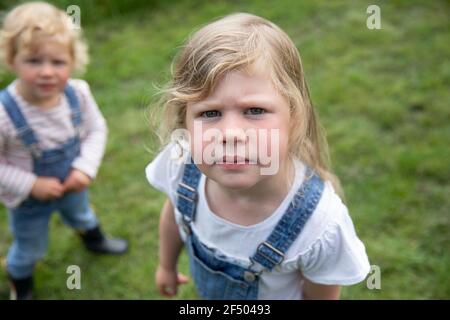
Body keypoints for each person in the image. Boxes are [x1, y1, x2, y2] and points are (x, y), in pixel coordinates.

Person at [146, 13, 370, 300]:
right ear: (185, 123)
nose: (230, 134)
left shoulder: (320, 224)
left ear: (295, 116)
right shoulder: (179, 166)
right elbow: (173, 212)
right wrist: (166, 266)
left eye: (254, 110)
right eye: (209, 113)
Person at [0, 2, 128, 300]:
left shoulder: (78, 93)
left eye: (57, 62)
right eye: (33, 61)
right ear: (12, 59)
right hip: (27, 199)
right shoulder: (4, 112)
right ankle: (21, 284)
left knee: (82, 214)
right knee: (30, 246)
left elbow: (97, 129)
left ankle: (94, 239)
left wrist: (84, 168)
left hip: (72, 182)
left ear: (72, 61)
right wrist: (31, 184)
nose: (47, 72)